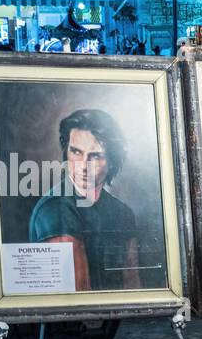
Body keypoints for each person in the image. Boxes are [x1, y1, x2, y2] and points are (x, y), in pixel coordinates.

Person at [28, 109, 143, 292]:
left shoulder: (123, 212)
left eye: (95, 156)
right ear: (66, 152)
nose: (83, 165)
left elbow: (132, 282)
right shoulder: (56, 208)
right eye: (76, 152)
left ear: (112, 161)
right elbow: (78, 294)